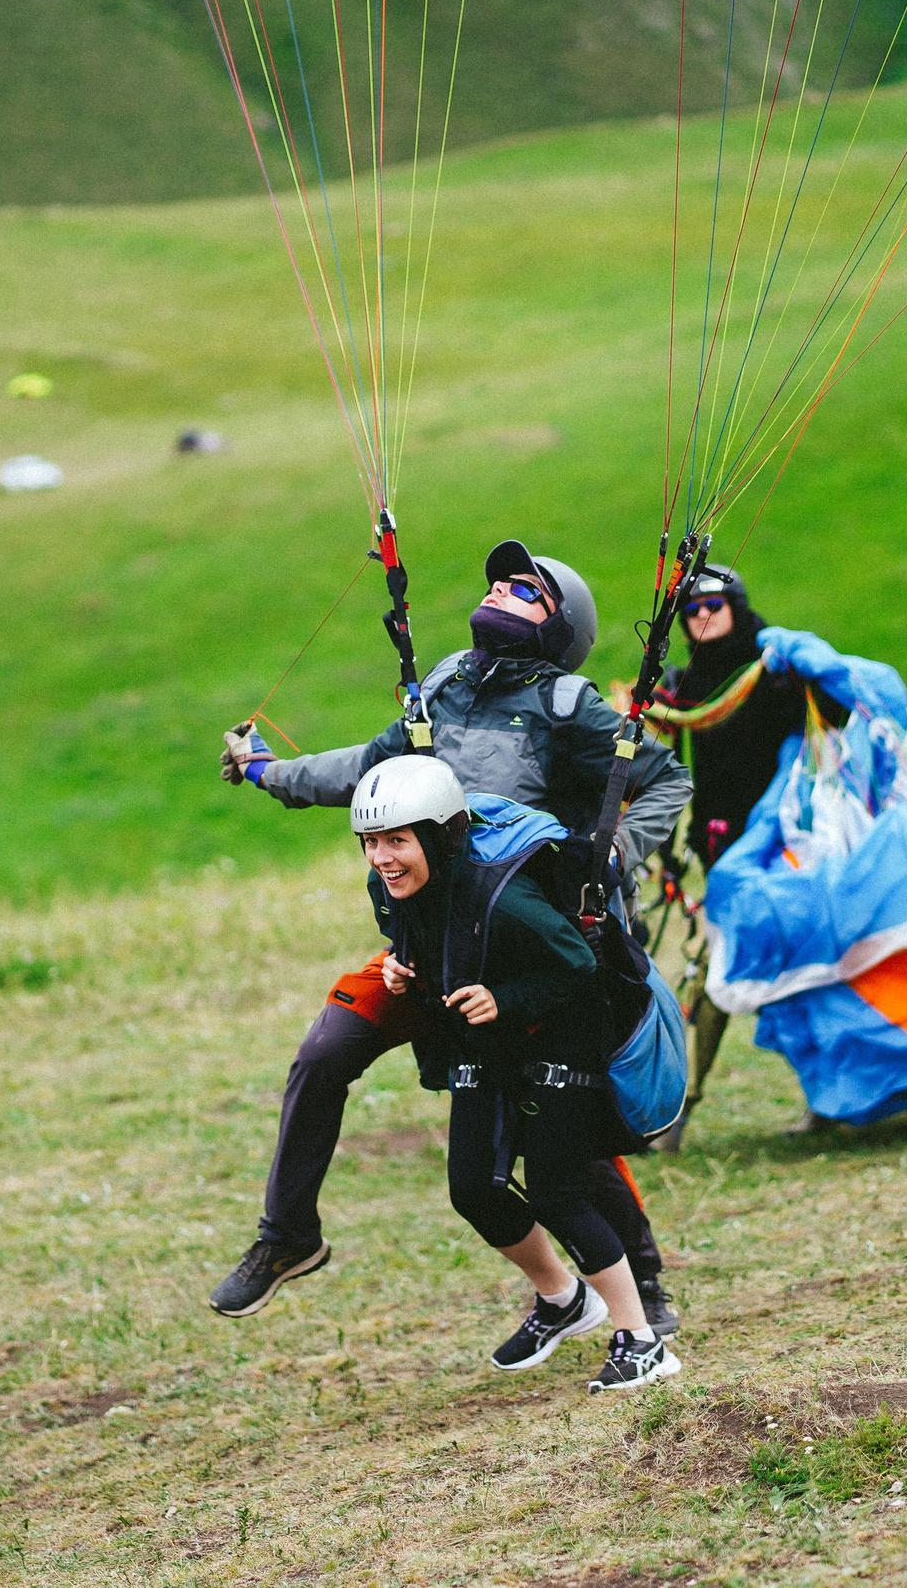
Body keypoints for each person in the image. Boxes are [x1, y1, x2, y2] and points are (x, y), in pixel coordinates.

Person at [207, 540, 693, 1331]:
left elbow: (663, 778)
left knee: (553, 1114)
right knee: (325, 1051)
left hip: (525, 950)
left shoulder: (570, 705)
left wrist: (606, 862)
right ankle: (289, 1234)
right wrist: (269, 773)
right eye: (497, 579)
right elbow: (367, 771)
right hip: (428, 950)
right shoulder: (442, 685)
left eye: (526, 589)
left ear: (559, 624)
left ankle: (640, 1288)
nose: (501, 589)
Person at [353, 756, 680, 1391]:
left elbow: (575, 965)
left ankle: (641, 1340)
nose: (382, 858)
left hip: (561, 1033)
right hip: (487, 1039)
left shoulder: (504, 898)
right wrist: (404, 969)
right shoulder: (390, 890)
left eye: (397, 840)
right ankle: (563, 1300)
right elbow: (435, 947)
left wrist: (507, 998)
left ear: (440, 837)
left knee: (557, 1189)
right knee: (472, 1188)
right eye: (371, 842)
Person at [647, 566, 808, 1148]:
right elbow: (660, 773)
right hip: (720, 848)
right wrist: (666, 854)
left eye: (715, 605)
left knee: (800, 964)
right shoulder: (684, 684)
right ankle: (680, 1108)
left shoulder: (772, 672)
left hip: (787, 843)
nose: (703, 616)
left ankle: (829, 1094)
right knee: (716, 968)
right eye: (692, 611)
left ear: (736, 606)